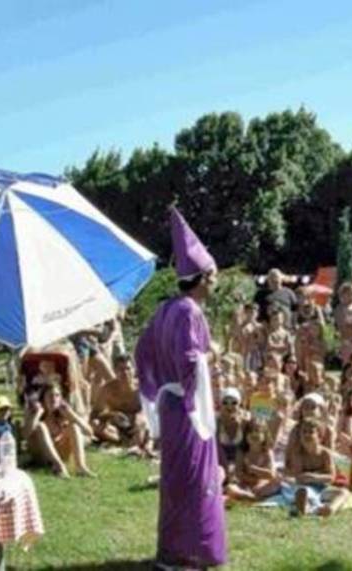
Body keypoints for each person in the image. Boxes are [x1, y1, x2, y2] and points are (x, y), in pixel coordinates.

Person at [133, 207, 227, 568]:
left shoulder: (165, 309)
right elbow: (191, 361)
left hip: (172, 403)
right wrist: (211, 355)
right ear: (203, 278)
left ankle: (174, 550)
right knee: (193, 478)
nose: (216, 281)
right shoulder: (189, 311)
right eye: (214, 275)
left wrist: (158, 385)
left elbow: (143, 351)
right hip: (188, 409)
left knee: (177, 479)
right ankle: (191, 552)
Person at [24, 383, 95, 478]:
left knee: (73, 426)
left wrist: (72, 416)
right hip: (41, 455)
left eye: (57, 395)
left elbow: (89, 432)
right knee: (41, 426)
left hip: (61, 452)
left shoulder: (64, 413)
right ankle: (59, 466)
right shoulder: (35, 412)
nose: (54, 399)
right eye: (50, 396)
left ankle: (81, 467)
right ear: (43, 399)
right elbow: (25, 435)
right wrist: (37, 415)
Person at [288, 418, 350, 517]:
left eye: (311, 432)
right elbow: (298, 477)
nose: (307, 435)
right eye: (304, 432)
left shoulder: (325, 454)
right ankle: (306, 509)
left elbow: (331, 477)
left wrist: (313, 477)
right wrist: (320, 475)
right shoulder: (298, 454)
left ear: (319, 437)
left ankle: (330, 509)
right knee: (302, 492)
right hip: (306, 488)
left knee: (344, 492)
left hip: (323, 488)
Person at [227, 419, 282, 502]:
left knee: (277, 483)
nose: (254, 434)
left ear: (265, 436)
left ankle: (250, 495)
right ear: (245, 435)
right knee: (230, 488)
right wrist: (249, 479)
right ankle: (251, 496)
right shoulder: (242, 451)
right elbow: (238, 473)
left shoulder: (267, 452)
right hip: (245, 484)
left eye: (257, 431)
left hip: (262, 484)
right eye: (250, 432)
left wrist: (254, 469)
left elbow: (271, 474)